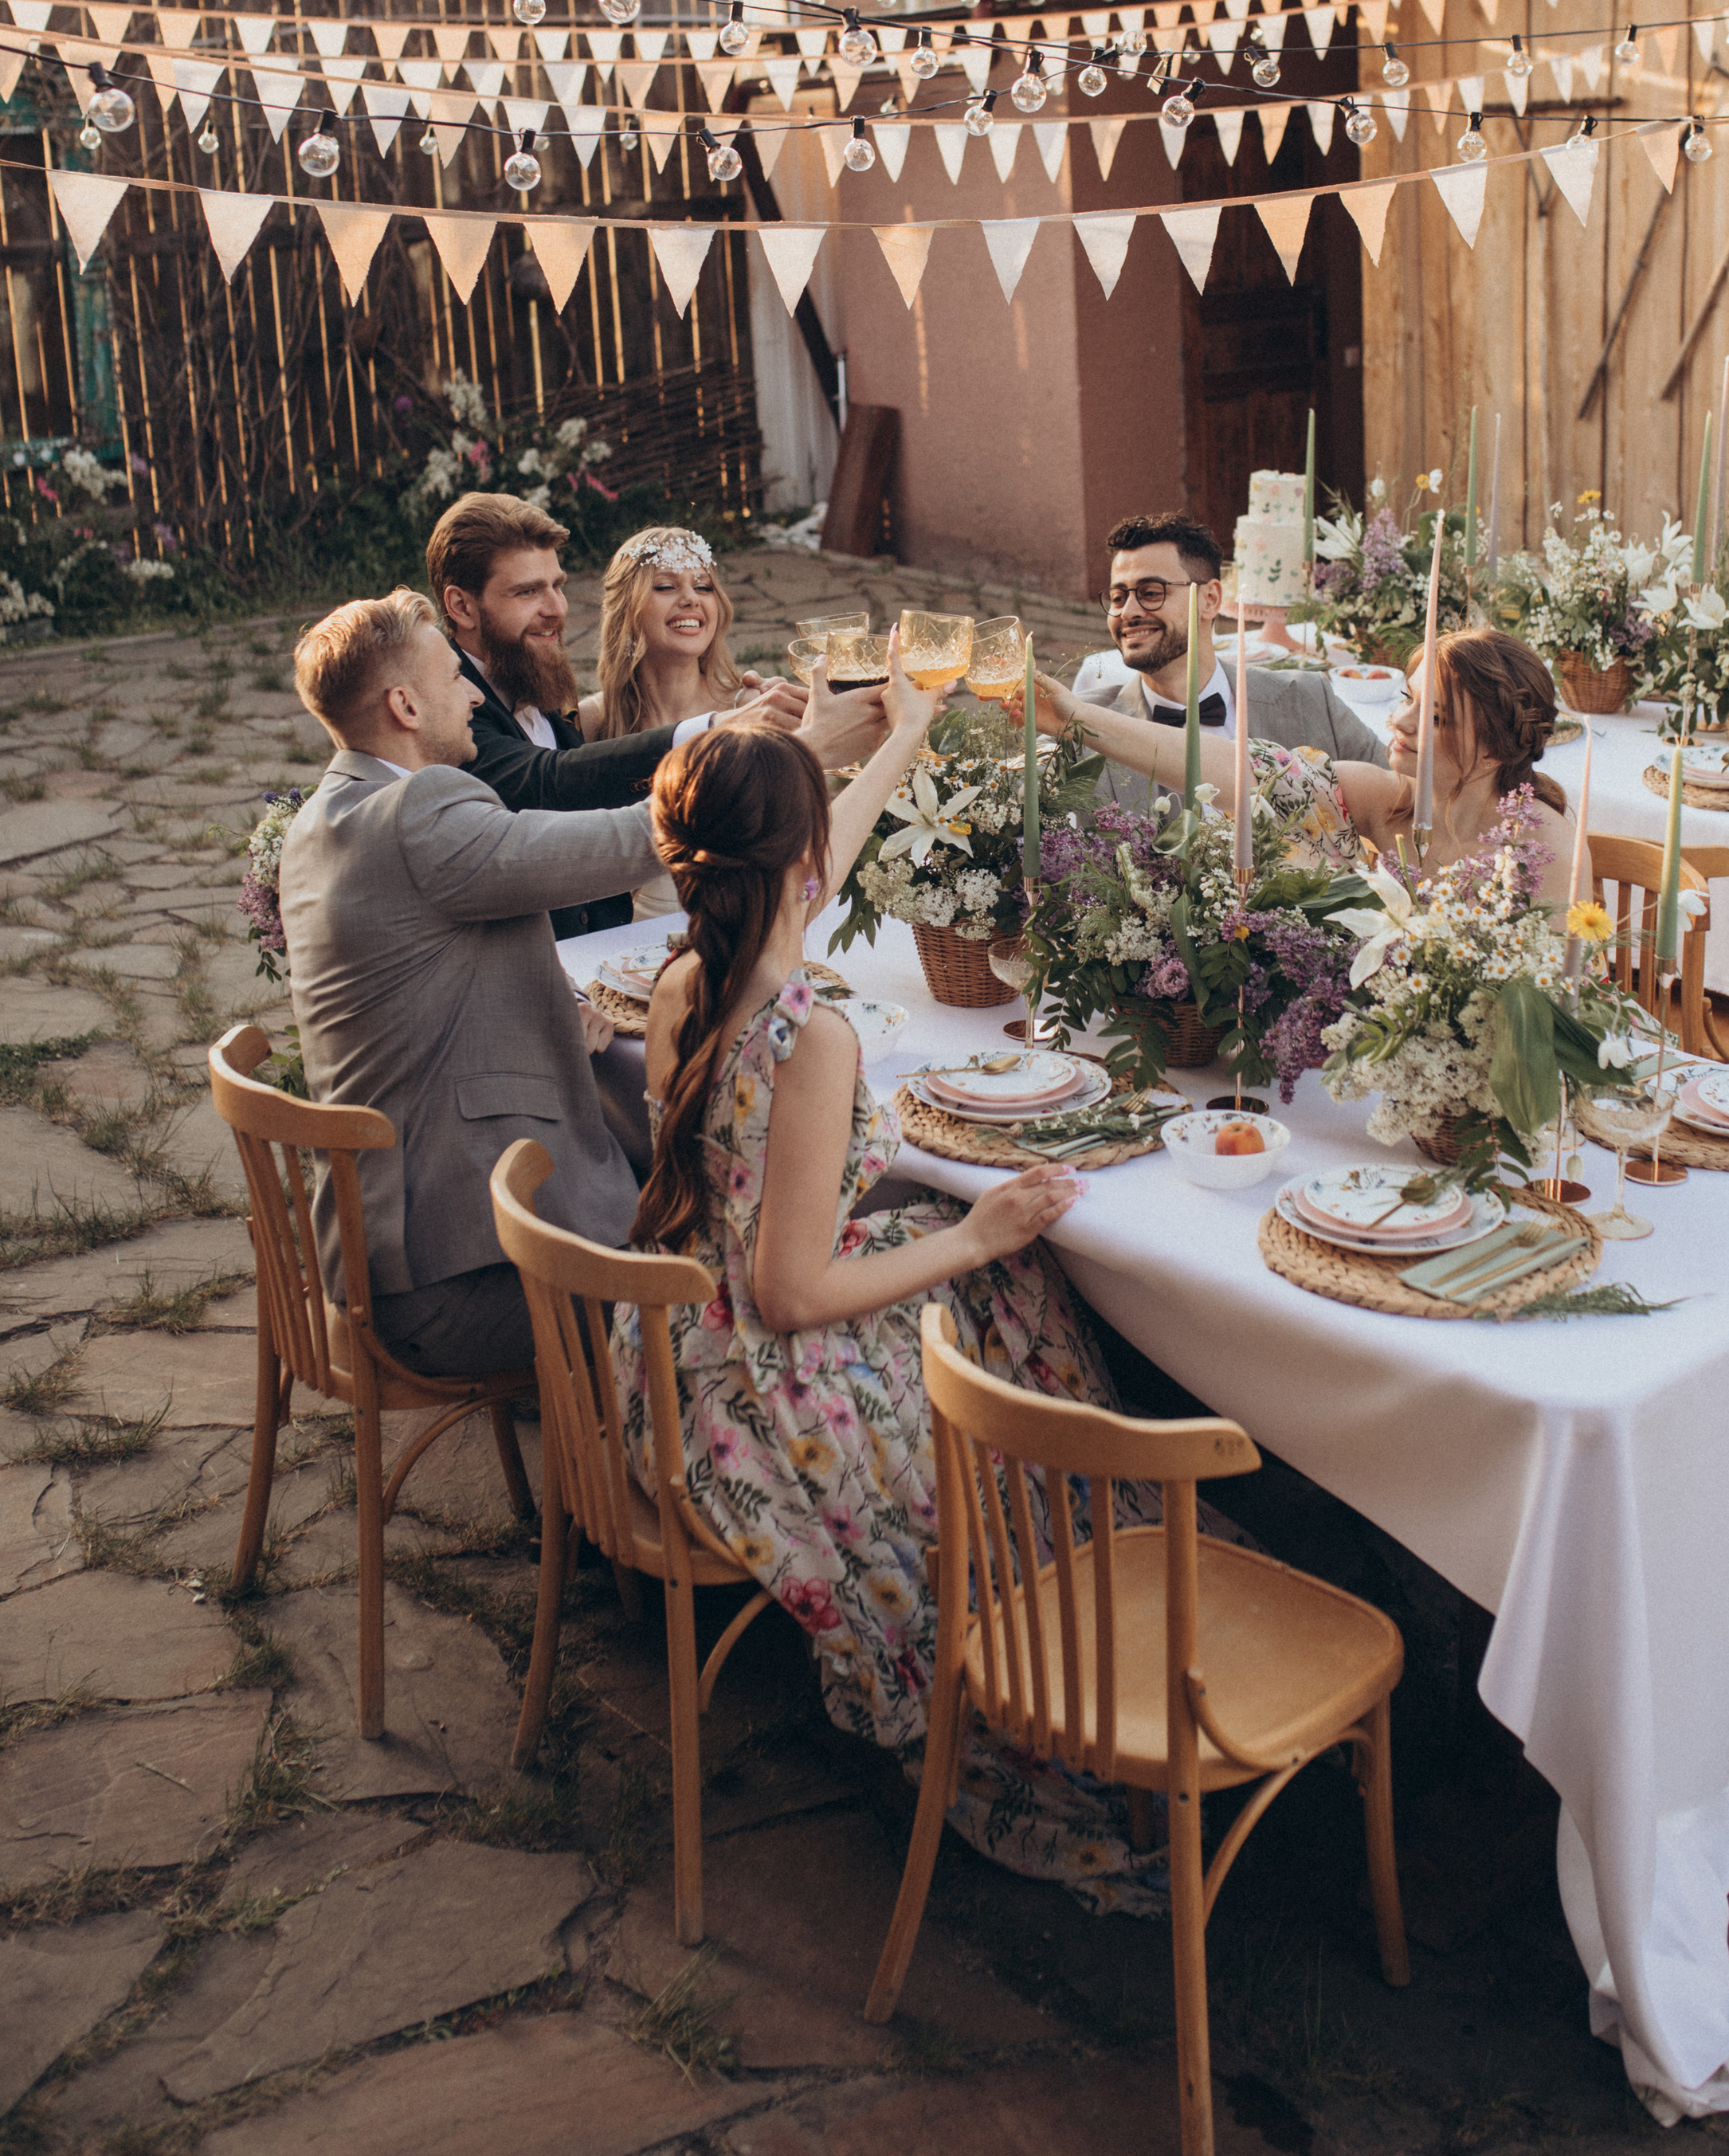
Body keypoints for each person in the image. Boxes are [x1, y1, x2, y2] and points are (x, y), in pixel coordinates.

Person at [606, 657, 1169, 1903]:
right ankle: (1070, 1658)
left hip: (668, 1350)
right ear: (795, 861)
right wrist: (982, 1231)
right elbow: (795, 1292)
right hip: (765, 1385)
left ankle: (1105, 1597)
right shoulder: (810, 1037)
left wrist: (900, 739)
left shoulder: (689, 975)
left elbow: (811, 867)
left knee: (1019, 1306)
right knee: (1006, 1304)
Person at [280, 589, 661, 1376]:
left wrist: (560, 1004)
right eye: (458, 677)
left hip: (381, 1252)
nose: (474, 695)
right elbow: (618, 843)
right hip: (448, 1284)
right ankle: (641, 1482)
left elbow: (426, 958)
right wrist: (768, 767)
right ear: (405, 705)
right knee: (729, 1290)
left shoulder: (327, 814)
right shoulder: (418, 812)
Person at [425, 495, 882, 939]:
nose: (557, 609)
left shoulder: (535, 681)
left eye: (558, 586)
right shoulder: (451, 709)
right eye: (528, 592)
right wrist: (722, 736)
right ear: (462, 606)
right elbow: (554, 783)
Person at [1040, 624, 1573, 902]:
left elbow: (1550, 1005)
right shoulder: (1383, 799)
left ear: (1497, 746)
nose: (1401, 722)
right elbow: (1231, 770)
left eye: (1433, 717)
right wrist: (1076, 719)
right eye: (1405, 699)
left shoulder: (1542, 844)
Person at [574, 524, 888, 923]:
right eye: (666, 587)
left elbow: (806, 826)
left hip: (741, 924)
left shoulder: (758, 707)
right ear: (627, 607)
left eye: (703, 587)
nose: (690, 598)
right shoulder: (593, 720)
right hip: (625, 936)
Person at [1072, 511, 1388, 817]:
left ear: (1210, 600)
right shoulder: (1083, 726)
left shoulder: (1307, 700)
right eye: (1117, 597)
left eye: (1150, 593)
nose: (1127, 611)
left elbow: (1402, 796)